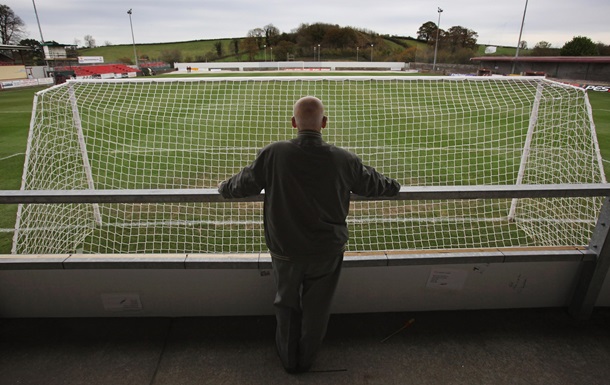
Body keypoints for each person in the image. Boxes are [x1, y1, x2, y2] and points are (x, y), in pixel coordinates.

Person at [218, 96, 400, 374]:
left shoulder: (274, 153)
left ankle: (290, 361)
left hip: (285, 250)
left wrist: (222, 188)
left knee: (286, 305)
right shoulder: (345, 158)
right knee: (318, 309)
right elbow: (379, 185)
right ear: (324, 124)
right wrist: (394, 185)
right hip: (327, 250)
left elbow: (239, 185)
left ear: (294, 123)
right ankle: (307, 359)